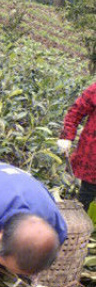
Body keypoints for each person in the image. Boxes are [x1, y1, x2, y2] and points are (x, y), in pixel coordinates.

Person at [58, 82, 96, 212]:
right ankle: (82, 228)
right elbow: (75, 112)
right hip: (93, 156)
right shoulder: (95, 90)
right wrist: (67, 137)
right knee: (87, 194)